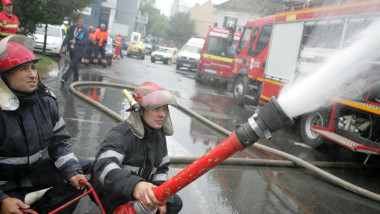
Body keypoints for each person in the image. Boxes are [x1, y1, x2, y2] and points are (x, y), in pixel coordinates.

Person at [0, 35, 92, 214]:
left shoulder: (45, 102)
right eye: (23, 69)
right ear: (5, 75)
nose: (33, 74)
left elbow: (60, 143)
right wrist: (2, 200)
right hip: (3, 182)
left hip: (30, 173)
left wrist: (73, 171)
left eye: (33, 67)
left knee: (83, 168)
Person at [93, 82, 183, 214]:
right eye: (156, 109)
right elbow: (104, 167)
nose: (162, 114)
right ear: (140, 111)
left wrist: (162, 197)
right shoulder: (120, 134)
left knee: (174, 203)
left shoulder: (158, 135)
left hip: (141, 191)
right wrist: (135, 185)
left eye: (164, 109)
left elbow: (161, 169)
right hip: (114, 192)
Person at [60, 15, 89, 85]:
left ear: (82, 22)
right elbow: (68, 37)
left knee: (72, 64)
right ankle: (76, 78)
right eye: (78, 22)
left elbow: (86, 41)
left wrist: (76, 42)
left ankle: (64, 78)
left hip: (79, 50)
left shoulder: (85, 30)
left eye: (80, 22)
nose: (79, 23)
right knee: (74, 64)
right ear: (76, 22)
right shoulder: (73, 27)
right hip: (71, 49)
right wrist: (63, 45)